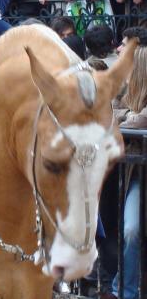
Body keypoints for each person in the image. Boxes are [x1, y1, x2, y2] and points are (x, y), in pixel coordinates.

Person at [101, 43, 147, 299]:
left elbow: (139, 120)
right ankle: (124, 291)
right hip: (132, 176)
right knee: (129, 229)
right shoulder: (125, 91)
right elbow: (107, 111)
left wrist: (127, 117)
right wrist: (129, 114)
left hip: (138, 175)